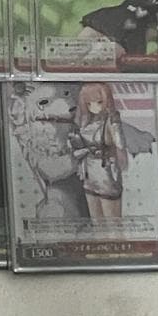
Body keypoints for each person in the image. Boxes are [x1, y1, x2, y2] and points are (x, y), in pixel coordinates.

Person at [68, 83, 126, 219]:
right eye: (89, 103)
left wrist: (115, 124)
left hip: (106, 172)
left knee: (112, 221)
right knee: (96, 220)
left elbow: (120, 143)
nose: (94, 106)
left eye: (99, 102)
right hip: (89, 174)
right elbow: (75, 148)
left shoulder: (110, 121)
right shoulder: (84, 123)